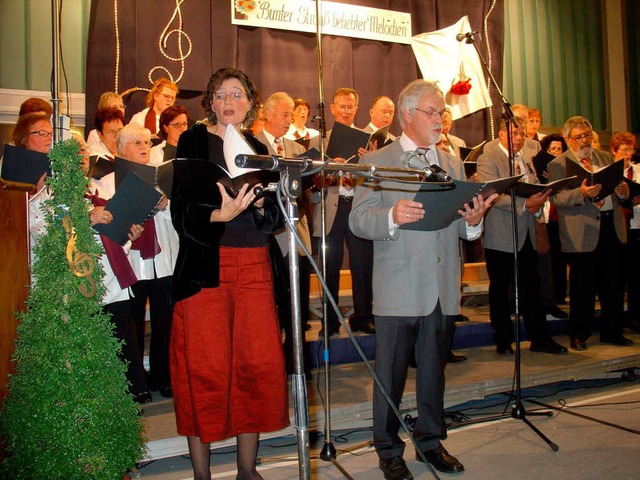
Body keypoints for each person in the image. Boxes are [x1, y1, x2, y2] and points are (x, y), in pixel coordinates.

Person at [349, 79, 496, 479]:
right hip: (398, 285)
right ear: (407, 115)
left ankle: (430, 442)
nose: (439, 119)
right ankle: (388, 450)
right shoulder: (378, 159)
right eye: (431, 112)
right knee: (391, 375)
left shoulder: (451, 162)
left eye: (441, 112)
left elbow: (461, 227)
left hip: (442, 285)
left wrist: (474, 222)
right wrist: (391, 217)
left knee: (434, 372)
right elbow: (358, 220)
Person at [170, 67, 288, 480]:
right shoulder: (193, 140)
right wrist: (219, 214)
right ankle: (202, 474)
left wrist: (259, 206)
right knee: (203, 369)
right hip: (208, 269)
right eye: (220, 95)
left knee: (254, 366)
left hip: (255, 266)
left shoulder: (259, 146)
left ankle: (246, 470)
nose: (228, 101)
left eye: (236, 94)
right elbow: (180, 210)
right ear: (211, 103)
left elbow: (276, 217)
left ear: (250, 102)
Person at [477, 116, 567, 355]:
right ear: (502, 134)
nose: (518, 139)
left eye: (521, 135)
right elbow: (491, 194)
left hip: (526, 231)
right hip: (501, 233)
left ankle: (540, 338)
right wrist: (525, 205)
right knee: (500, 288)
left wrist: (540, 199)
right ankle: (503, 340)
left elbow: (534, 186)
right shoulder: (489, 157)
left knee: (531, 286)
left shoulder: (526, 158)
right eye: (514, 133)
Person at [548, 116, 632, 350]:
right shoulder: (558, 165)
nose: (584, 141)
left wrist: (622, 189)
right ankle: (579, 334)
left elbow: (623, 192)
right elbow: (557, 198)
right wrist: (582, 194)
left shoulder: (605, 157)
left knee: (613, 284)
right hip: (581, 231)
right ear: (567, 139)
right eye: (578, 137)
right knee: (582, 287)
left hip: (610, 226)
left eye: (587, 135)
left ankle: (613, 331)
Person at [255, 92, 313, 374]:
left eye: (291, 114)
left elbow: (307, 196)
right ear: (267, 113)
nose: (289, 119)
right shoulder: (254, 147)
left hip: (297, 235)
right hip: (269, 236)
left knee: (298, 302)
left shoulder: (295, 148)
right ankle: (272, 360)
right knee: (272, 301)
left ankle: (296, 359)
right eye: (285, 113)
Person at [116, 123, 176, 399]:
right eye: (137, 143)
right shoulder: (110, 180)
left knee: (165, 321)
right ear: (121, 149)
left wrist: (166, 205)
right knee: (133, 324)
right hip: (132, 262)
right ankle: (136, 382)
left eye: (147, 143)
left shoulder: (161, 176)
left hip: (163, 260)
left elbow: (177, 220)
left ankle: (163, 377)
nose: (144, 147)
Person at [312, 87, 376, 335]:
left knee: (362, 265)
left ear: (357, 109)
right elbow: (310, 182)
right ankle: (330, 320)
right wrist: (328, 166)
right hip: (330, 206)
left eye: (351, 107)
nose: (346, 111)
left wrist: (367, 162)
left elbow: (374, 181)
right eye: (342, 106)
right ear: (332, 108)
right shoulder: (319, 139)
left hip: (357, 206)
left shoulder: (367, 140)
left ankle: (363, 316)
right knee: (330, 265)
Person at [532, 133, 570, 309]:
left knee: (560, 258)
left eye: (559, 149)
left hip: (561, 217)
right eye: (552, 149)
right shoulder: (539, 168)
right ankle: (549, 298)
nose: (556, 152)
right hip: (544, 217)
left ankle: (560, 296)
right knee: (547, 258)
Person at [610, 132, 640, 331]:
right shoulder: (610, 171)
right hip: (618, 227)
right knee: (618, 275)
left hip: (637, 226)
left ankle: (636, 316)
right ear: (614, 151)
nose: (628, 154)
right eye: (623, 150)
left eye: (630, 150)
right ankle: (618, 318)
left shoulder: (638, 170)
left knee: (637, 276)